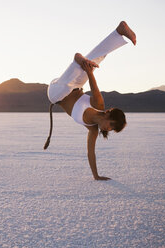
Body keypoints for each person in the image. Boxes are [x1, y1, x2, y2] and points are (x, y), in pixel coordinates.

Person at [44, 21, 136, 180]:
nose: (108, 129)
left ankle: (79, 60)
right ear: (108, 115)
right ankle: (119, 31)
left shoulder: (92, 129)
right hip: (71, 84)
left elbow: (90, 152)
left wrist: (96, 176)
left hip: (55, 94)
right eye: (111, 125)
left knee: (67, 85)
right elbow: (92, 82)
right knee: (93, 63)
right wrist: (87, 66)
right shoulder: (99, 104)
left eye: (111, 129)